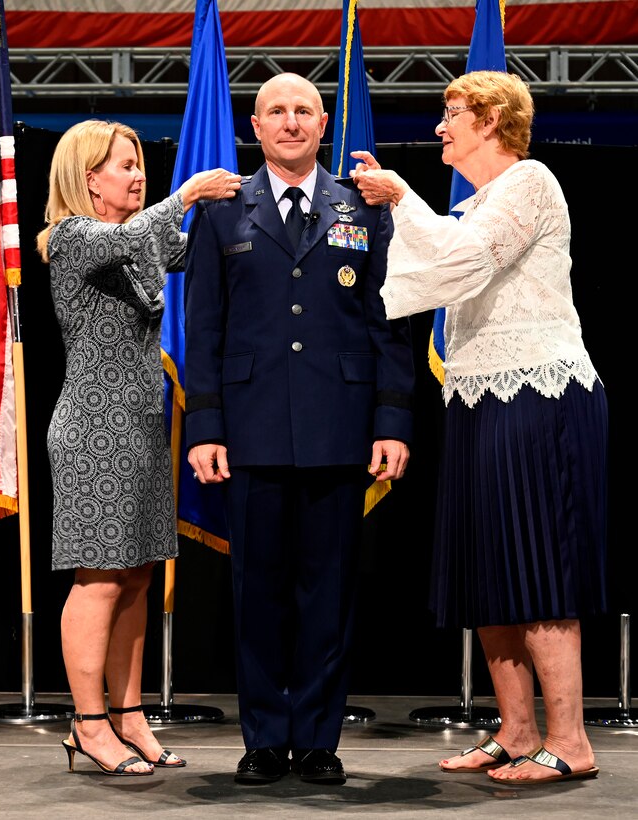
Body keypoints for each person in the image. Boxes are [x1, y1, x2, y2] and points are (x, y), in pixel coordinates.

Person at [351, 70, 607, 785]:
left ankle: (571, 739)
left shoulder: (530, 182)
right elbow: (442, 251)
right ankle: (519, 731)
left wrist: (400, 200)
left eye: (451, 113)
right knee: (489, 565)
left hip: (538, 393)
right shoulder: (478, 201)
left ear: (490, 119)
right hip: (476, 395)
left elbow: (457, 264)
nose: (440, 126)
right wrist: (403, 204)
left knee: (539, 563)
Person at [183, 73, 415, 785]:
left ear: (323, 124)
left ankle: (315, 738)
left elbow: (388, 325)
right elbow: (206, 326)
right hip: (249, 430)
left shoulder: (363, 208)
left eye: (303, 111)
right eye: (276, 111)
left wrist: (392, 419)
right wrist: (205, 427)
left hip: (339, 427)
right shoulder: (224, 210)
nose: (290, 122)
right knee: (257, 592)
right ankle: (262, 739)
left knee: (329, 590)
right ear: (255, 126)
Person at [35, 119, 240, 776]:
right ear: (88, 177)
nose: (136, 172)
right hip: (93, 431)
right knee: (98, 580)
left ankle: (128, 717)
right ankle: (87, 723)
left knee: (137, 575)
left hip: (141, 427)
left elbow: (198, 253)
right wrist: (188, 195)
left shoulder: (133, 242)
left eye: (137, 163)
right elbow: (135, 235)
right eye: (123, 165)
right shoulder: (72, 238)